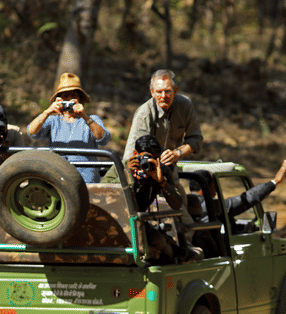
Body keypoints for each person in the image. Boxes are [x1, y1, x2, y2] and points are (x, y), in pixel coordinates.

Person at [128, 134, 203, 264]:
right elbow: (110, 195)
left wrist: (162, 182)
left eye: (154, 158)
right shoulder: (123, 168)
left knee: (160, 241)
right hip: (124, 223)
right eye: (146, 157)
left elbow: (177, 204)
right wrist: (128, 176)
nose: (149, 162)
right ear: (135, 154)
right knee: (159, 240)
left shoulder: (160, 171)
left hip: (141, 226)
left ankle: (177, 253)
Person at [27, 73, 111, 182]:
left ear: (80, 99)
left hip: (86, 180)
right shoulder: (53, 120)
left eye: (74, 96)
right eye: (65, 96)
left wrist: (84, 116)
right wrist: (47, 112)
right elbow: (32, 132)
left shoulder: (91, 119)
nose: (69, 99)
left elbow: (104, 139)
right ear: (59, 99)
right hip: (59, 179)